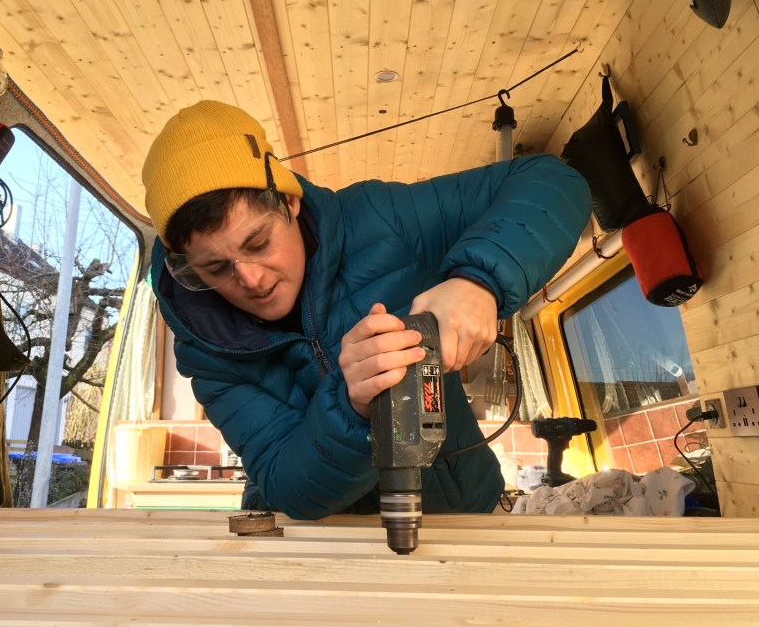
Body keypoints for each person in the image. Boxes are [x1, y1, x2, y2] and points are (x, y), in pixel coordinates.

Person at [142, 100, 592, 519]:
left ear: (290, 202)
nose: (251, 280)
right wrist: (353, 406)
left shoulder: (381, 219)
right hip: (319, 545)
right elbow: (287, 483)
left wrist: (478, 280)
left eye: (257, 243)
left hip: (463, 512)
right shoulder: (205, 349)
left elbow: (553, 182)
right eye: (216, 268)